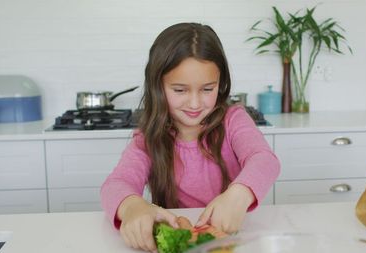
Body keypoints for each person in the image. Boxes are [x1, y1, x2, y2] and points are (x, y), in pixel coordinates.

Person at [100, 22, 280, 252]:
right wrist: (132, 207)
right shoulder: (149, 137)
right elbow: (115, 184)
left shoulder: (234, 120)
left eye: (207, 89)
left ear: (220, 83)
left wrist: (239, 194)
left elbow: (264, 159)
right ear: (158, 87)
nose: (195, 103)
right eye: (180, 90)